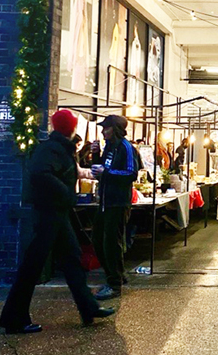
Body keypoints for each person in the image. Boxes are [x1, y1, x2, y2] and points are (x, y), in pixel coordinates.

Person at [0, 110, 114, 334]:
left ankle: (89, 308)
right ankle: (14, 319)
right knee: (33, 266)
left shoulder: (59, 147)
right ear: (70, 127)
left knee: (72, 260)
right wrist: (66, 193)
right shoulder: (52, 149)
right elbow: (41, 174)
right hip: (49, 213)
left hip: (56, 213)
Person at [90, 114, 139, 301]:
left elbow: (131, 173)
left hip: (118, 202)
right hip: (105, 201)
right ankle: (116, 275)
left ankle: (114, 284)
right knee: (98, 239)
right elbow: (101, 170)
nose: (103, 131)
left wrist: (107, 172)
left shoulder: (126, 147)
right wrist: (96, 155)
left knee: (111, 243)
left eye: (106, 127)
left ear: (115, 129)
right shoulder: (110, 147)